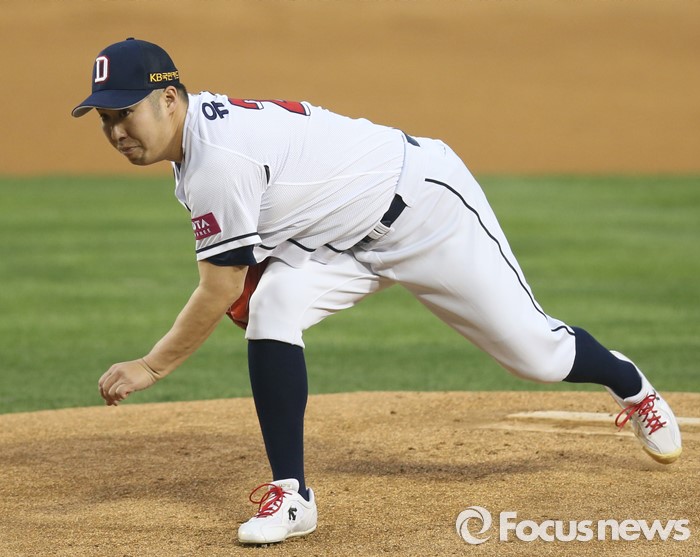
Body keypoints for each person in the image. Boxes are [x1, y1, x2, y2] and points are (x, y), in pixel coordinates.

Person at [73, 38, 682, 545]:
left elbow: (220, 286)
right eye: (105, 119)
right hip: (340, 241)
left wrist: (151, 366)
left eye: (125, 112)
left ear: (170, 99)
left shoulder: (218, 158)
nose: (116, 130)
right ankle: (292, 495)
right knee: (273, 306)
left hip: (427, 211)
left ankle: (628, 382)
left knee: (537, 357)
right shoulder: (198, 145)